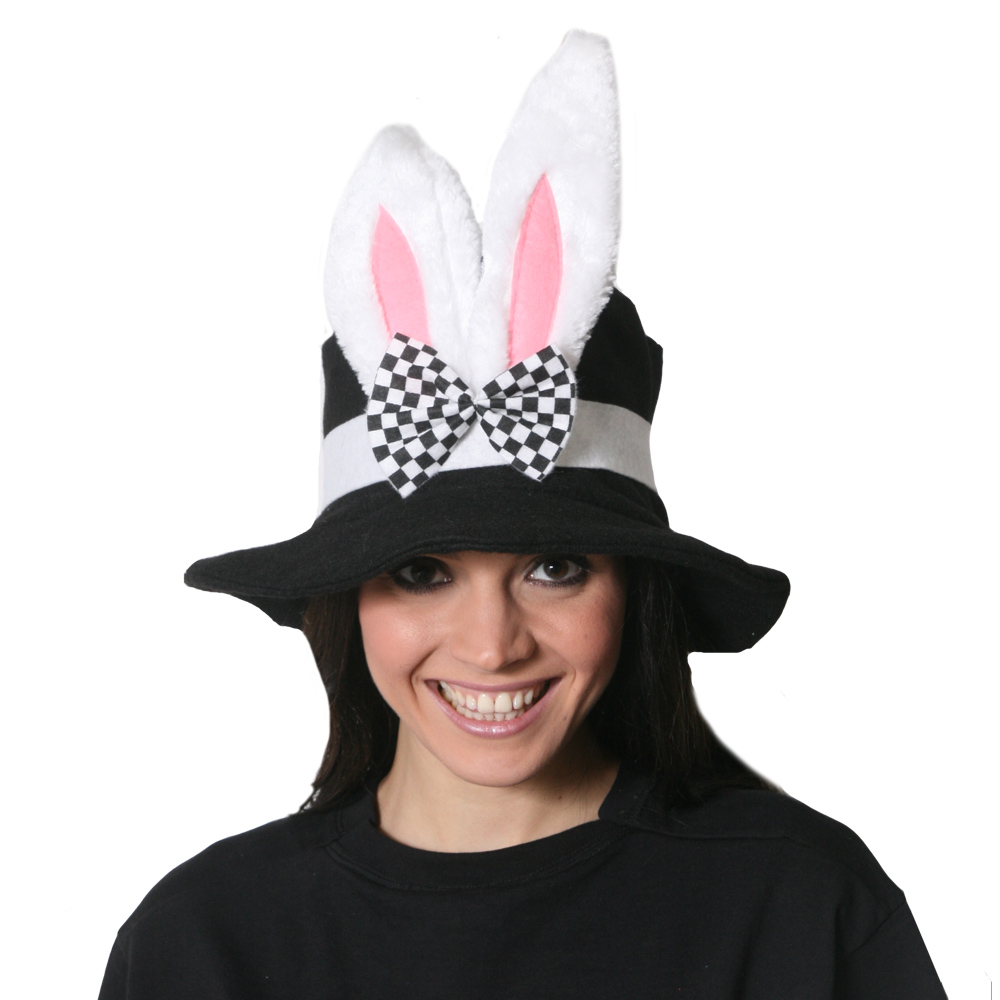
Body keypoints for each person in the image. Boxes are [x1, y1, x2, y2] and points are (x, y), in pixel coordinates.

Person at [98, 31, 946, 999]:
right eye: (422, 571)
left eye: (553, 567)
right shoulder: (197, 944)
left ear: (633, 589)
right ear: (348, 597)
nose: (491, 645)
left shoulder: (805, 909)